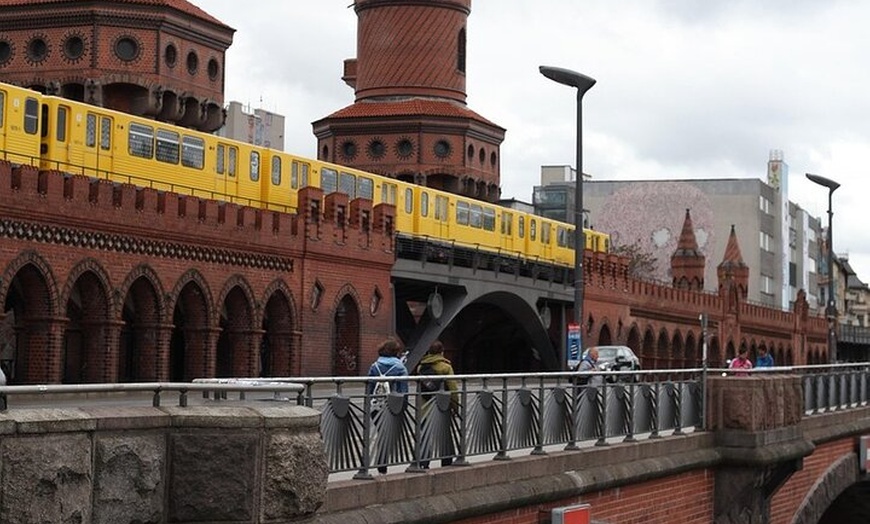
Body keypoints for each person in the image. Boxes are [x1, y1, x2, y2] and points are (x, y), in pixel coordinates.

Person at [366, 337, 409, 474]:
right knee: (387, 434)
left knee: (382, 432)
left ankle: (380, 462)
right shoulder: (400, 368)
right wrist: (403, 406)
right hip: (393, 406)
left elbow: (369, 388)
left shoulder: (374, 366)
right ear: (396, 352)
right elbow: (404, 390)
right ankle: (382, 463)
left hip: (376, 407)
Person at [415, 340, 459, 468]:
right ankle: (446, 460)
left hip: (425, 407)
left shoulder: (421, 367)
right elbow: (453, 388)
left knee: (425, 435)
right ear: (441, 352)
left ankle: (423, 462)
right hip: (441, 406)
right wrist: (455, 406)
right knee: (444, 433)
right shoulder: (445, 367)